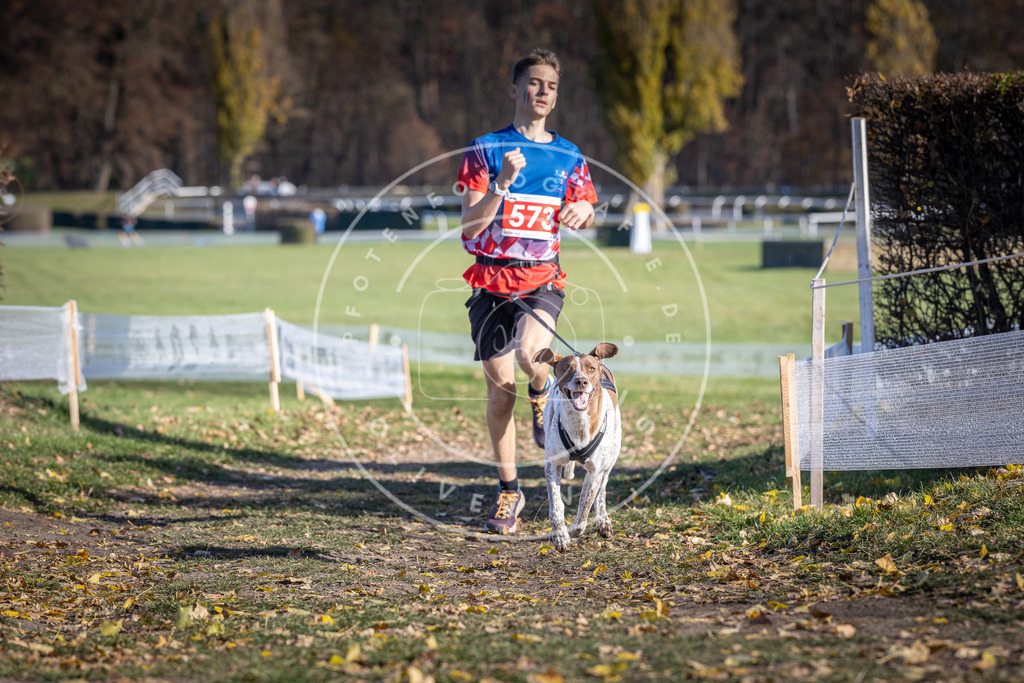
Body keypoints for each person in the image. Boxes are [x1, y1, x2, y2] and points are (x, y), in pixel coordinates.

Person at [458, 48, 598, 534]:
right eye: (535, 83)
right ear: (515, 89)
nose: (543, 92)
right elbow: (470, 230)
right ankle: (509, 494)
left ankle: (542, 396)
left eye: (552, 86)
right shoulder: (485, 148)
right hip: (491, 282)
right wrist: (501, 184)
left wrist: (586, 213)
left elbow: (586, 207)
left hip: (541, 279)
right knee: (499, 396)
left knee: (531, 355)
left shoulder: (569, 155)